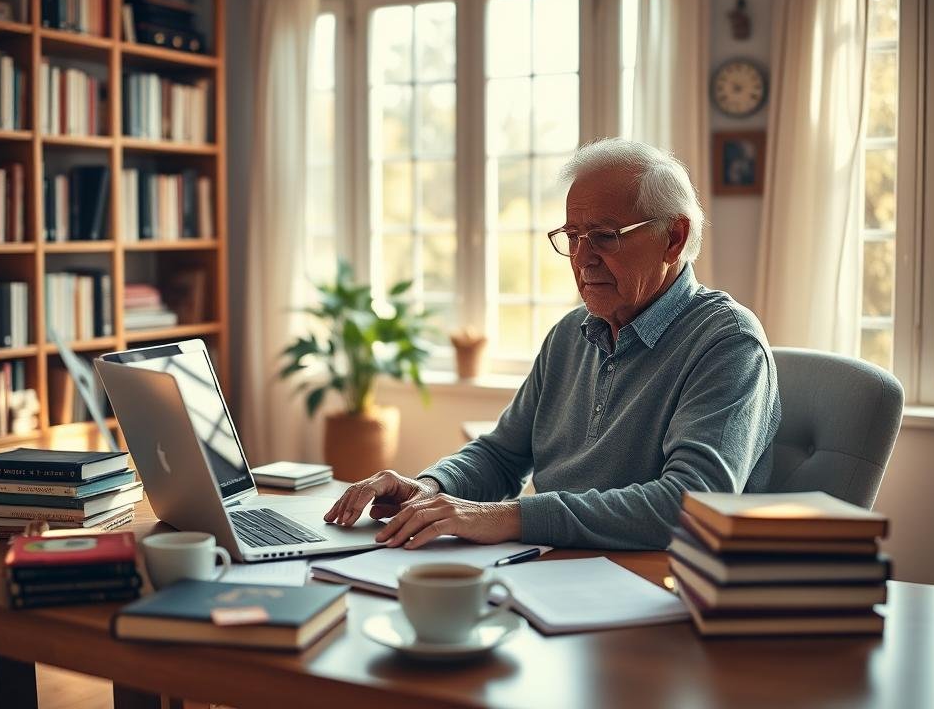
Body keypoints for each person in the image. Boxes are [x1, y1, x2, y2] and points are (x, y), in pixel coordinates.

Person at [324, 139, 781, 551]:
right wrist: (430, 487)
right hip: (554, 573)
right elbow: (501, 456)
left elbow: (688, 506)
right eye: (573, 237)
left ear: (673, 238)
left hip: (657, 588)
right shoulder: (571, 333)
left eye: (604, 236)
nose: (582, 258)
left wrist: (507, 517)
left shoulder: (728, 343)